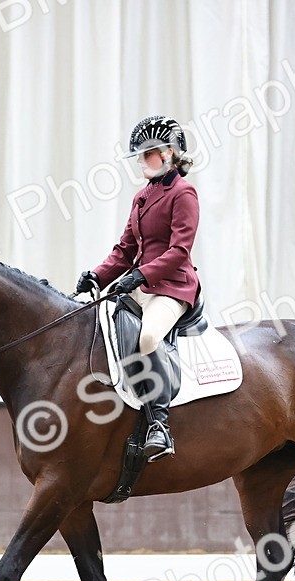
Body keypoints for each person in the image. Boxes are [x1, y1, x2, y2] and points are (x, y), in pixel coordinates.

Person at [76, 116, 200, 462]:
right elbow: (125, 249)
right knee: (99, 324)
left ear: (172, 154)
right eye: (141, 155)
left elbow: (179, 252)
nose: (145, 160)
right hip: (144, 283)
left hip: (174, 286)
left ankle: (159, 423)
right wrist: (97, 277)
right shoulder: (142, 197)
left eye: (152, 154)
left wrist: (140, 276)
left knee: (146, 338)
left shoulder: (183, 193)